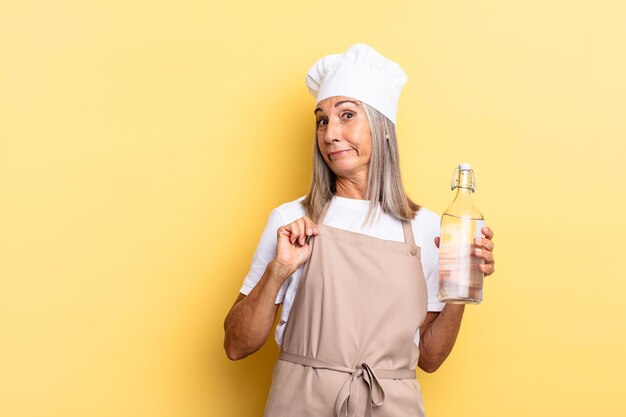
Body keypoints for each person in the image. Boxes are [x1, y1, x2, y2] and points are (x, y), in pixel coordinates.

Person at [223, 44, 496, 417]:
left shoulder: (428, 229)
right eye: (322, 120)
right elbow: (237, 346)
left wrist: (462, 287)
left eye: (346, 115)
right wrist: (278, 271)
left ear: (382, 127)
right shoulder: (292, 221)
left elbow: (429, 359)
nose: (330, 133)